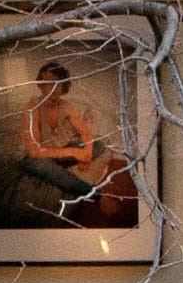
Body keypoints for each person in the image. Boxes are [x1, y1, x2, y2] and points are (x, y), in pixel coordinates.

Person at [17, 60, 121, 207]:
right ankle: (96, 196)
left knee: (98, 143)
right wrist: (74, 152)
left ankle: (59, 172)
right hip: (37, 158)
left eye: (59, 84)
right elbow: (34, 151)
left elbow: (85, 132)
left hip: (58, 154)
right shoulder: (31, 106)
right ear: (40, 85)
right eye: (49, 83)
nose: (54, 88)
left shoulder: (66, 105)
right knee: (41, 165)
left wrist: (86, 154)